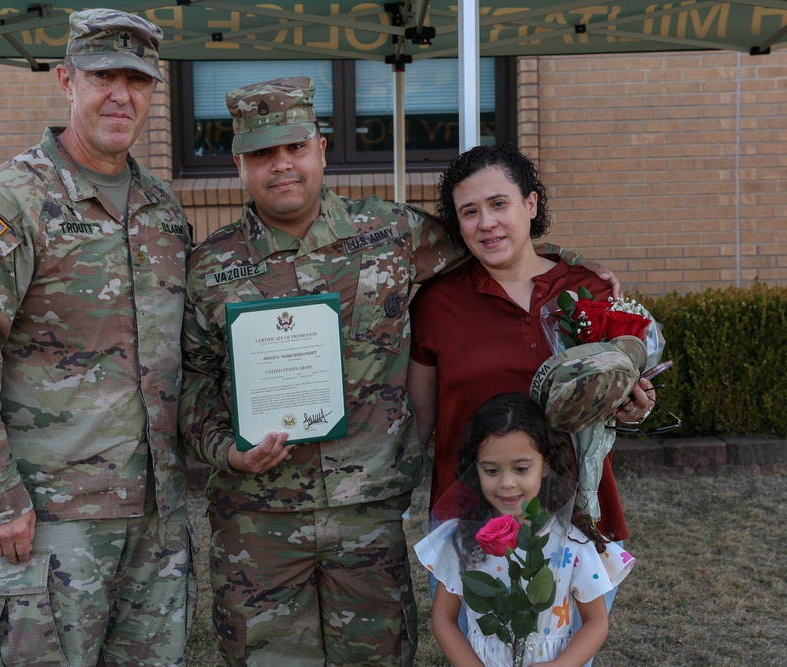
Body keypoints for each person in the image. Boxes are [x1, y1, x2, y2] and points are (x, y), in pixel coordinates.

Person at [178, 77, 616, 666]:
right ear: (238, 163)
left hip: (366, 513)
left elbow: (494, 240)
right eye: (261, 154)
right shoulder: (210, 266)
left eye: (294, 148)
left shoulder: (391, 233)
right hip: (258, 517)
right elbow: (193, 381)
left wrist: (577, 268)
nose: (281, 166)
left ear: (321, 148)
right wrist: (227, 452)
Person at [0, 9, 194, 666]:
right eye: (104, 75)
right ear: (66, 79)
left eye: (138, 79)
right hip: (48, 521)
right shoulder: (8, 202)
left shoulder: (162, 208)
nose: (121, 95)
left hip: (156, 520)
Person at [407, 143, 654, 664]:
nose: (486, 223)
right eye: (469, 211)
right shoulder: (437, 303)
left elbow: (621, 394)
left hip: (575, 520)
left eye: (499, 204)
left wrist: (636, 405)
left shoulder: (586, 291)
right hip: (473, 519)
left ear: (532, 204)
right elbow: (421, 419)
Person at [414, 392, 635, 667]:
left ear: (544, 464)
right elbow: (444, 619)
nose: (507, 483)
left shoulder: (571, 542)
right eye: (491, 471)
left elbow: (596, 621)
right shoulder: (461, 541)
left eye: (520, 468)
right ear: (476, 469)